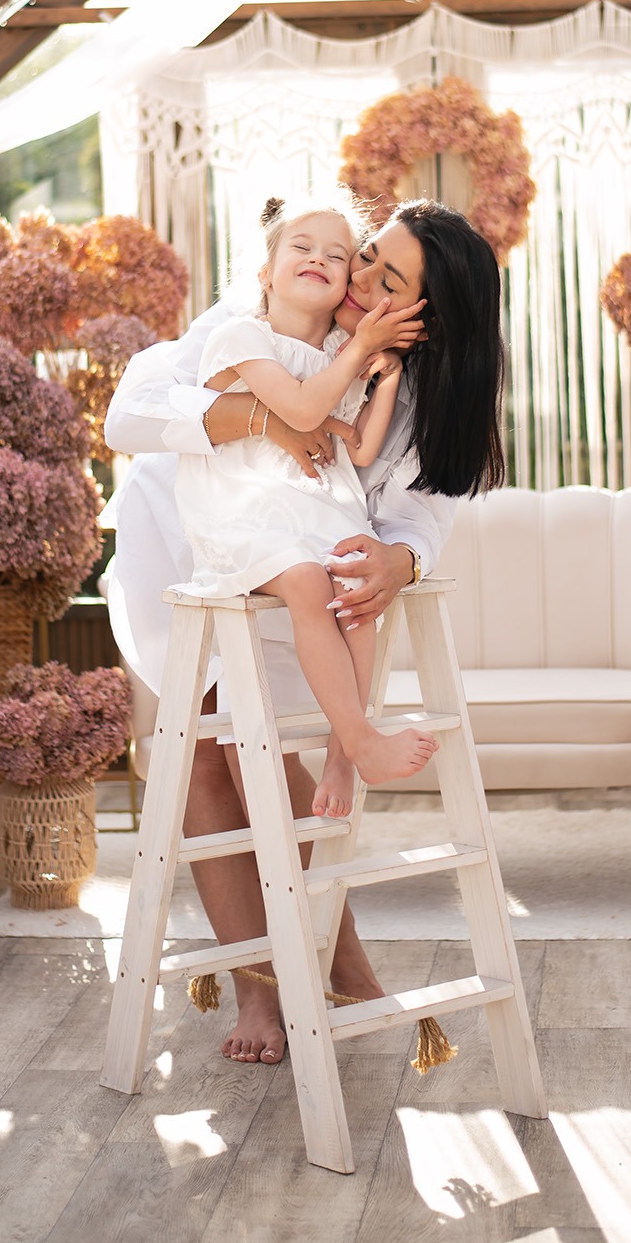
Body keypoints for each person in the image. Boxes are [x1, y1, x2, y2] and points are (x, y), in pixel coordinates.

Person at [105, 198, 506, 1064]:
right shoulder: (267, 309)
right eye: (367, 255)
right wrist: (258, 419)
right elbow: (128, 416)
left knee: (260, 748)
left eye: (387, 280)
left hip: (302, 552)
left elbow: (422, 514)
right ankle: (264, 989)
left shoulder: (411, 387)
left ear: (429, 320)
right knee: (207, 749)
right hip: (189, 533)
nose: (355, 279)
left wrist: (400, 560)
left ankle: (328, 959)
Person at [175, 195, 440, 819]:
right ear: (264, 273)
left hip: (315, 503)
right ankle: (361, 737)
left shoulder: (340, 357)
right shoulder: (243, 336)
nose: (318, 258)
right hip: (242, 506)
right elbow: (299, 410)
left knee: (354, 589)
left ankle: (344, 756)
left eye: (337, 255)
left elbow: (361, 447)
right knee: (304, 580)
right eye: (301, 247)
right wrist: (360, 349)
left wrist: (386, 377)